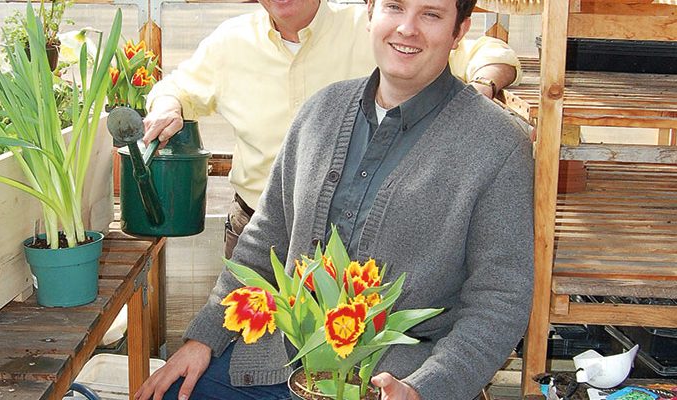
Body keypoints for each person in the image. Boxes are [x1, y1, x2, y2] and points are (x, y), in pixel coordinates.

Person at [134, 0, 534, 397]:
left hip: (397, 377)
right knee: (173, 392)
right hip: (281, 362)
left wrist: (427, 388)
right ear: (371, 13)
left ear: (459, 30)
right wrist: (203, 338)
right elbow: (263, 240)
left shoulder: (496, 144)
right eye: (394, 7)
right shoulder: (321, 111)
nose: (407, 28)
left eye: (431, 14)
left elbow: (500, 299)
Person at [141, 0, 521, 258]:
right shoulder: (229, 41)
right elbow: (177, 88)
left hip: (355, 240)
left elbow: (491, 54)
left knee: (340, 365)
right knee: (244, 356)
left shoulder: (376, 24)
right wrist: (167, 105)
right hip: (257, 233)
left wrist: (483, 87)